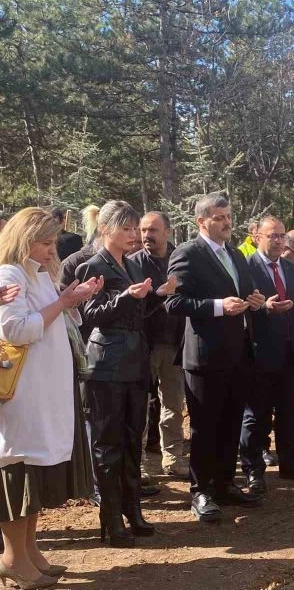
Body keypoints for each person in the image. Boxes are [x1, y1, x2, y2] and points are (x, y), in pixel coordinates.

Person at [0, 208, 100, 588]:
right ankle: (12, 557)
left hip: (44, 392)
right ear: (23, 240)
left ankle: (29, 551)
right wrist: (62, 302)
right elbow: (17, 330)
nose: (50, 249)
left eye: (52, 242)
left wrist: (73, 298)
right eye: (43, 242)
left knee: (36, 473)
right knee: (18, 472)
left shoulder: (38, 273)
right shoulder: (10, 273)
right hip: (24, 395)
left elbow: (53, 319)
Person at [77, 201, 177, 547]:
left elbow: (139, 312)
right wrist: (126, 298)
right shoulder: (93, 265)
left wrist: (156, 296)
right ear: (107, 230)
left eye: (135, 228)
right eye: (127, 229)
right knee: (108, 445)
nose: (134, 235)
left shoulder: (132, 267)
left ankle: (133, 511)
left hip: (135, 360)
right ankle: (110, 518)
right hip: (106, 365)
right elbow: (90, 316)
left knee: (133, 439)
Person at [165, 193, 265, 523]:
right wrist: (219, 307)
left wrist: (254, 299)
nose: (227, 222)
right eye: (219, 217)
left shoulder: (235, 254)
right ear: (201, 221)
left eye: (228, 215)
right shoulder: (187, 254)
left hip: (237, 354)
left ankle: (224, 483)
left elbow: (245, 291)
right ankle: (201, 491)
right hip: (205, 357)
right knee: (205, 427)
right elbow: (174, 303)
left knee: (230, 423)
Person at [240, 216, 294, 494]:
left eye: (281, 236)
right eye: (272, 235)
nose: (278, 241)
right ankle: (253, 470)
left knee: (289, 410)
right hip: (260, 352)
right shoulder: (244, 267)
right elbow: (238, 307)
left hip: (292, 351)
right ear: (256, 236)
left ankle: (289, 463)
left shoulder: (291, 268)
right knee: (256, 415)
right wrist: (263, 309)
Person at [130, 212, 187, 478]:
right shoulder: (133, 263)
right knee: (140, 406)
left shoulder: (181, 258)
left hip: (176, 343)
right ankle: (139, 463)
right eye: (143, 230)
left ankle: (174, 459)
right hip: (145, 344)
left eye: (152, 229)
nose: (146, 235)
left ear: (167, 231)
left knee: (173, 405)